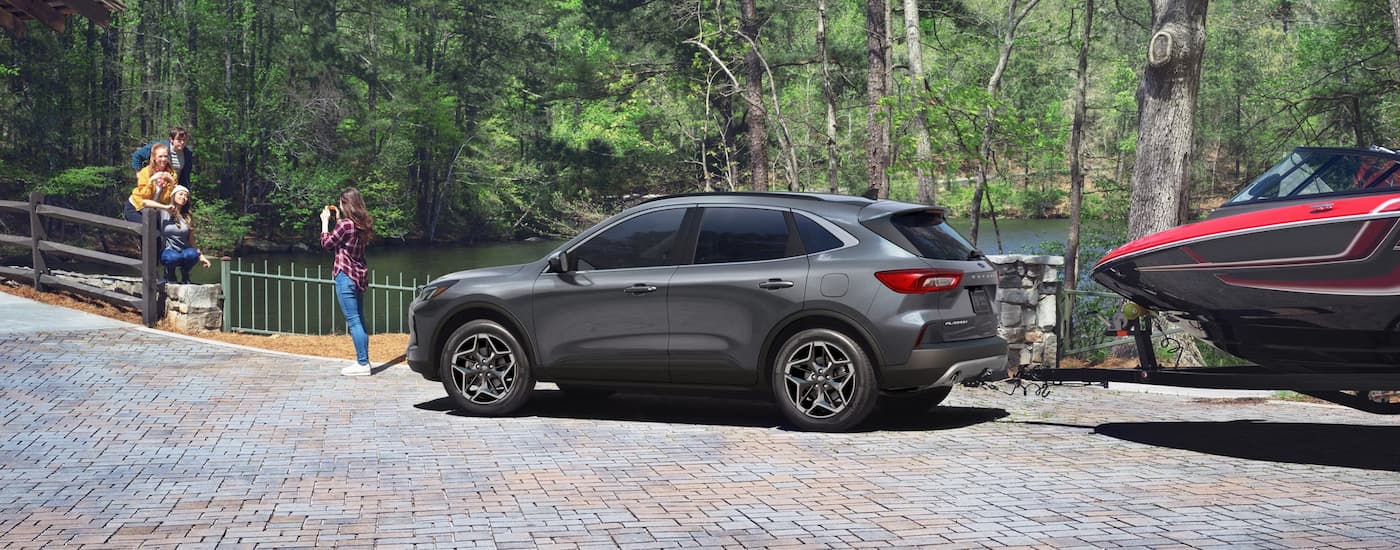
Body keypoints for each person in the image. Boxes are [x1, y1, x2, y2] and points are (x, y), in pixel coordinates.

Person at [321, 187, 374, 376]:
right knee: (359, 319)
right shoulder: (363, 224)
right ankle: (364, 360)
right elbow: (345, 240)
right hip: (359, 275)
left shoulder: (345, 225)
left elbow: (327, 244)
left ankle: (362, 363)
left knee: (353, 321)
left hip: (345, 275)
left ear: (346, 204)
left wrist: (325, 222)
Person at [159, 185, 211, 284]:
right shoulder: (164, 212)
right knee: (173, 257)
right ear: (173, 196)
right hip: (168, 251)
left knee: (193, 254)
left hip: (183, 251)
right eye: (181, 194)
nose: (184, 197)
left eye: (186, 196)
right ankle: (169, 273)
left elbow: (191, 240)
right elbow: (146, 203)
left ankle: (185, 272)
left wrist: (201, 257)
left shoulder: (187, 216)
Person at [124, 143, 178, 223]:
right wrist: (151, 180)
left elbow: (166, 200)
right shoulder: (145, 172)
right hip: (136, 207)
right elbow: (145, 196)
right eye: (160, 156)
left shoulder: (172, 174)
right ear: (154, 158)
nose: (163, 159)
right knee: (149, 231)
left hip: (153, 210)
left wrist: (172, 182)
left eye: (165, 156)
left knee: (157, 233)